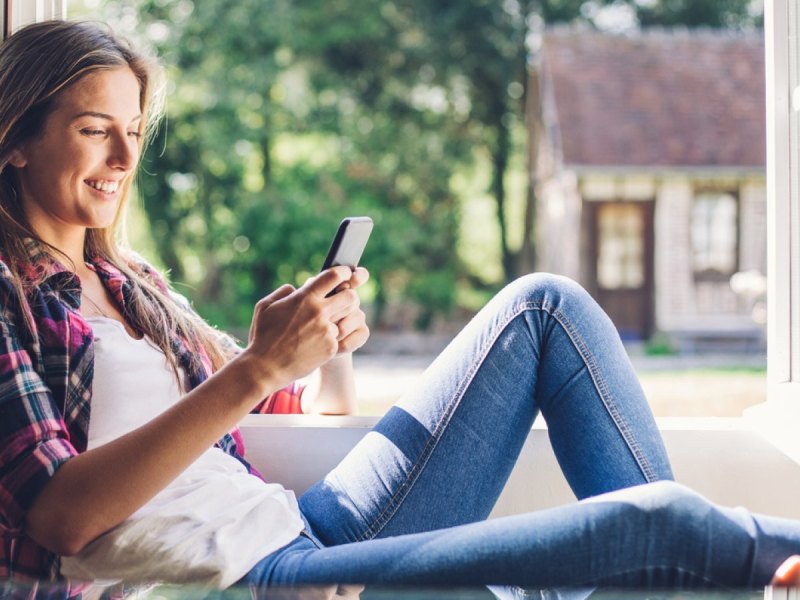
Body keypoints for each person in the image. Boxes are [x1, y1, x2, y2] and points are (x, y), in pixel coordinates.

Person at [0, 19, 799, 599]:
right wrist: (255, 367)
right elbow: (59, 520)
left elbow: (275, 405)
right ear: (17, 140)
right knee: (654, 528)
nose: (125, 159)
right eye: (95, 129)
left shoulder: (132, 283)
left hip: (297, 528)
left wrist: (326, 341)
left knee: (544, 308)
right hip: (265, 575)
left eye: (135, 130)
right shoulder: (11, 299)